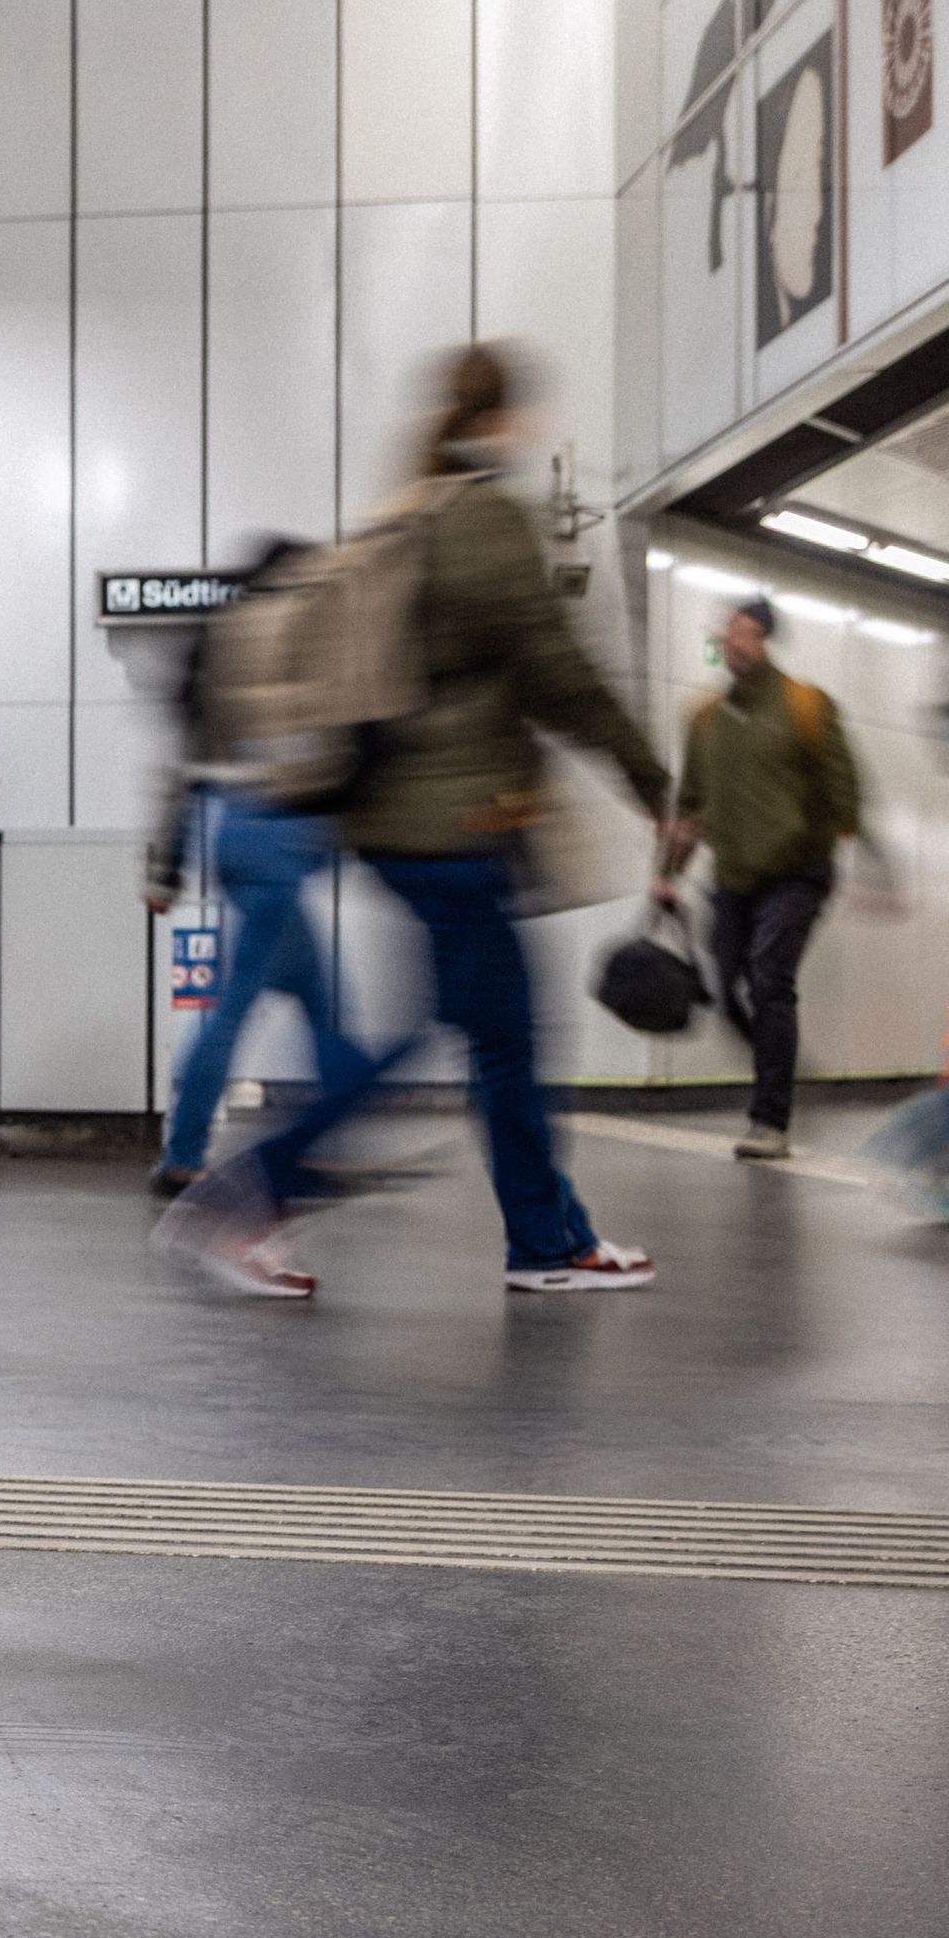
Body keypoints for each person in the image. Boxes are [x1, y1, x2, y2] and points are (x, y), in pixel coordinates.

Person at [161, 343, 674, 1300]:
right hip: (459, 828)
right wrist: (648, 774)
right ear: (501, 419)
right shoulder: (481, 521)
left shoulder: (404, 511)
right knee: (472, 1033)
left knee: (500, 1034)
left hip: (403, 825)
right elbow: (556, 668)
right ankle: (253, 1194)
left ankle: (550, 1241)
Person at [142, 539, 387, 1196]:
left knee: (323, 999)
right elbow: (337, 747)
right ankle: (185, 1154)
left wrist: (166, 866)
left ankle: (319, 1141)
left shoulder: (222, 641)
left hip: (233, 828)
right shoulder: (288, 639)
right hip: (273, 834)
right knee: (232, 1002)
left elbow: (185, 767)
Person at [659, 594, 863, 1160]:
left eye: (745, 633)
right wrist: (666, 874)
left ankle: (769, 1120)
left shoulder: (805, 705)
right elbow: (692, 804)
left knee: (770, 981)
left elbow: (844, 786)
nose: (733, 642)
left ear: (766, 640)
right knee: (727, 992)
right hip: (734, 878)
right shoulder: (704, 719)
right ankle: (783, 1068)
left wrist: (845, 848)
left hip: (797, 873)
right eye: (728, 633)